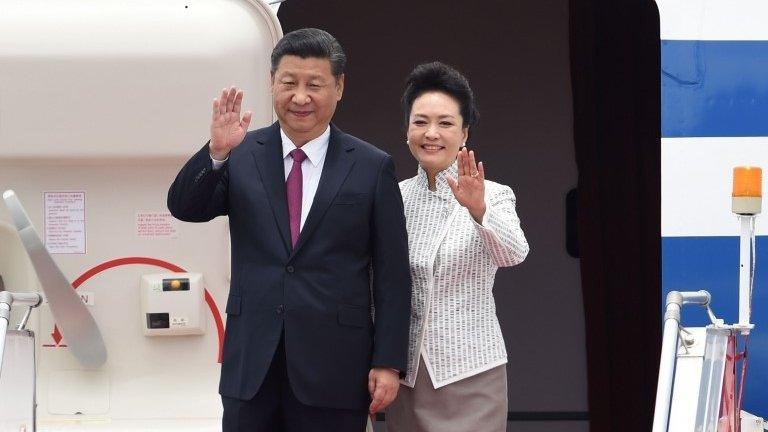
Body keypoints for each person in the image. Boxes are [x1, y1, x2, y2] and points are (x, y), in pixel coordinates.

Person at [167, 28, 411, 432]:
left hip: (335, 368)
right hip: (252, 367)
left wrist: (387, 361)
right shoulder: (242, 153)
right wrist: (216, 153)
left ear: (339, 87)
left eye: (314, 85)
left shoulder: (371, 166)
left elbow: (392, 275)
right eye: (289, 83)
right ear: (271, 83)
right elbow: (184, 207)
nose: (300, 97)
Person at [386, 62, 530, 432]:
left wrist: (478, 209)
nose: (431, 133)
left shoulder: (494, 194)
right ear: (407, 130)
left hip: (471, 372)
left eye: (446, 123)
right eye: (420, 122)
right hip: (405, 378)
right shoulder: (393, 197)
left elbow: (514, 253)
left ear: (464, 133)